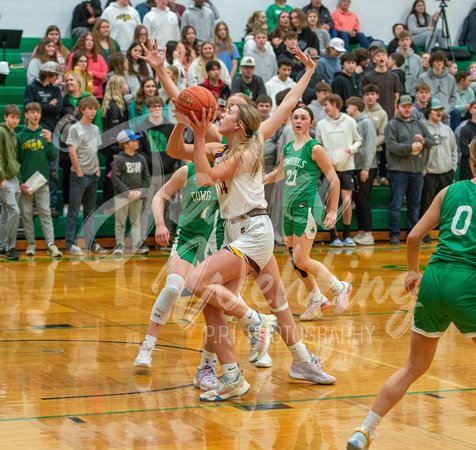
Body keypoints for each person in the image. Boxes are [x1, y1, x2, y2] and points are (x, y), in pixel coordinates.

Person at [141, 39, 340, 401]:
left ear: (240, 123)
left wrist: (200, 138)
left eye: (229, 110)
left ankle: (253, 321)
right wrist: (160, 70)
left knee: (199, 282)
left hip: (251, 231)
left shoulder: (246, 150)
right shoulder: (228, 142)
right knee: (272, 302)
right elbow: (190, 105)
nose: (222, 111)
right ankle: (277, 366)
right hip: (244, 233)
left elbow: (204, 178)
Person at [346, 137, 476, 450]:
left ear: (470, 160)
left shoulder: (449, 191)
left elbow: (415, 235)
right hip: (467, 281)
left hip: (432, 280)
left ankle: (364, 430)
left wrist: (412, 271)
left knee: (412, 368)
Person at [264, 105, 352, 319]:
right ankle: (316, 298)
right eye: (295, 117)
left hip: (308, 209)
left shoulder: (315, 148)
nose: (298, 121)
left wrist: (332, 211)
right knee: (295, 260)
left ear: (311, 123)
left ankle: (340, 287)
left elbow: (334, 179)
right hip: (288, 208)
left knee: (302, 259)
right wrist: (263, 179)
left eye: (303, 118)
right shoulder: (288, 148)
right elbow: (282, 172)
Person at [384, 95, 435, 246]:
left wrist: (423, 141)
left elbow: (432, 142)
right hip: (398, 172)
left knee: (415, 206)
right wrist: (409, 147)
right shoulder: (391, 125)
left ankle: (413, 235)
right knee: (396, 205)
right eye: (403, 106)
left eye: (409, 106)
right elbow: (391, 146)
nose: (407, 109)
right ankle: (394, 235)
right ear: (398, 107)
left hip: (417, 172)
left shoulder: (418, 123)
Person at [316, 93, 362, 246]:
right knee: (330, 202)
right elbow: (317, 146)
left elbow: (358, 141)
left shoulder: (349, 121)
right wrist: (325, 161)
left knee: (347, 201)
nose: (324, 108)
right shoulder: (321, 124)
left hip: (347, 168)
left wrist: (350, 149)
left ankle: (347, 235)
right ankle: (333, 237)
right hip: (329, 169)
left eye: (326, 105)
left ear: (335, 104)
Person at [17, 103, 62, 258]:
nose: (35, 115)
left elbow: (52, 157)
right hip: (26, 184)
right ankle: (31, 245)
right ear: (27, 115)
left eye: (38, 112)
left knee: (45, 213)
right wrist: (20, 181)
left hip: (42, 182)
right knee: (27, 214)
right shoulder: (20, 137)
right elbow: (17, 162)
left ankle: (51, 244)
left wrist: (50, 142)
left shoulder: (45, 134)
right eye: (32, 112)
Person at [64, 96, 107, 256]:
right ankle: (70, 244)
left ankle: (91, 243)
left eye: (95, 108)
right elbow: (72, 152)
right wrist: (79, 172)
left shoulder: (95, 128)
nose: (93, 111)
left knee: (90, 212)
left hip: (93, 175)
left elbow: (93, 150)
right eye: (90, 108)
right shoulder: (75, 128)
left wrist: (97, 169)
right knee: (74, 211)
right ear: (82, 109)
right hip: (79, 176)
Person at [135, 95, 178, 251]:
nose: (156, 109)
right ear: (148, 109)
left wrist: (168, 164)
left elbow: (177, 147)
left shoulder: (170, 126)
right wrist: (154, 164)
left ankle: (164, 242)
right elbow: (139, 152)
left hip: (168, 173)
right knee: (146, 209)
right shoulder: (140, 127)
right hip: (150, 174)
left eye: (159, 106)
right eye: (153, 107)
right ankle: (141, 242)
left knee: (167, 208)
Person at [58, 71, 102, 217]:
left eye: (71, 80)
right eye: (67, 80)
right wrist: (59, 134)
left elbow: (97, 121)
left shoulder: (88, 98)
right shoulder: (63, 99)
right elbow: (59, 119)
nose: (69, 82)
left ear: (78, 81)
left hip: (86, 140)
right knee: (66, 172)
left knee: (86, 176)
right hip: (67, 142)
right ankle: (67, 204)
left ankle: (83, 204)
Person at [24, 61, 63, 216]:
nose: (56, 78)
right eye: (54, 75)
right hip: (35, 131)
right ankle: (33, 205)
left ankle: (51, 205)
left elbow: (58, 109)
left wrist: (39, 105)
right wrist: (48, 104)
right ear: (47, 74)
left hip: (52, 131)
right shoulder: (31, 88)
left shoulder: (55, 90)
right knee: (34, 167)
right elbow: (29, 107)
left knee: (53, 169)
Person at [420, 98, 457, 243]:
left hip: (446, 173)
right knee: (427, 206)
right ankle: (425, 234)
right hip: (429, 174)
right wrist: (423, 169)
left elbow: (454, 150)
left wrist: (453, 167)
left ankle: (445, 235)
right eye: (436, 110)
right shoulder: (423, 128)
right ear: (429, 112)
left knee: (447, 206)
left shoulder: (447, 129)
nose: (439, 113)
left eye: (440, 110)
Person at [111, 129, 150, 254]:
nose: (137, 142)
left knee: (136, 223)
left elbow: (146, 178)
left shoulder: (141, 158)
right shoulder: (119, 159)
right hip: (122, 196)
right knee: (120, 222)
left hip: (137, 196)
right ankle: (119, 245)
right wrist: (127, 192)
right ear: (125, 144)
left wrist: (140, 192)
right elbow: (115, 178)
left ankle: (137, 245)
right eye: (133, 140)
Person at [346, 96, 377, 245]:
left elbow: (371, 145)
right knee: (358, 200)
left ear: (355, 107)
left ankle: (369, 233)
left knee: (364, 200)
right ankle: (361, 232)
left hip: (366, 167)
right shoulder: (353, 123)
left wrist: (366, 167)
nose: (346, 110)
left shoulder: (367, 122)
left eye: (348, 107)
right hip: (356, 167)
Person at [101, 75, 130, 204]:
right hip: (113, 148)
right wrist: (115, 151)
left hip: (115, 146)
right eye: (124, 84)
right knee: (112, 176)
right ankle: (109, 204)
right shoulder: (114, 106)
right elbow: (113, 131)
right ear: (119, 87)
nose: (126, 86)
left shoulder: (119, 102)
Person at [0, 105, 21, 260]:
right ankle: (9, 248)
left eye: (17, 117)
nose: (15, 120)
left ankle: (2, 246)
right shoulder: (1, 132)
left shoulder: (13, 133)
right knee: (15, 212)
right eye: (12, 117)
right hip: (5, 178)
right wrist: (2, 178)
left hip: (13, 176)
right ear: (5, 117)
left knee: (5, 215)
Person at [417, 50, 457, 126]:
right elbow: (419, 97)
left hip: (445, 117)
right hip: (428, 117)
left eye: (441, 61)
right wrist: (429, 111)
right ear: (432, 62)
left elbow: (453, 97)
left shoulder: (451, 78)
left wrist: (446, 110)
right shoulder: (423, 77)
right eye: (437, 61)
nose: (439, 63)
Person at [362, 48, 402, 121]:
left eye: (383, 55)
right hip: (373, 114)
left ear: (387, 58)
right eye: (378, 55)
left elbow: (397, 96)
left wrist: (396, 112)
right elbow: (364, 97)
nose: (381, 57)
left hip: (390, 113)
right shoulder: (368, 77)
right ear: (374, 60)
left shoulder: (394, 76)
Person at [69, 32, 108, 102]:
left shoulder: (99, 58)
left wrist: (92, 74)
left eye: (92, 40)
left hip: (97, 95)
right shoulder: (74, 56)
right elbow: (70, 74)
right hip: (78, 94)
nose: (89, 42)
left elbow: (105, 77)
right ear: (82, 41)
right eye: (87, 40)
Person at [362, 84, 388, 187]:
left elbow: (383, 135)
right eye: (367, 94)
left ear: (377, 96)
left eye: (372, 94)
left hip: (376, 150)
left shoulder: (382, 114)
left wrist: (371, 144)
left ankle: (376, 179)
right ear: (363, 97)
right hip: (360, 150)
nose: (370, 97)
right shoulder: (360, 111)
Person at [396, 30, 422, 97]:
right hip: (400, 93)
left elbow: (420, 76)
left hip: (414, 93)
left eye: (407, 39)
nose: (405, 42)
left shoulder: (417, 58)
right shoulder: (394, 58)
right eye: (402, 40)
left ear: (410, 41)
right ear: (399, 42)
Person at [459, 101, 476, 180]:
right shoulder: (465, 129)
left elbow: (470, 149)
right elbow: (465, 150)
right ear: (470, 110)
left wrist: (471, 147)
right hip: (467, 170)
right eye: (475, 108)